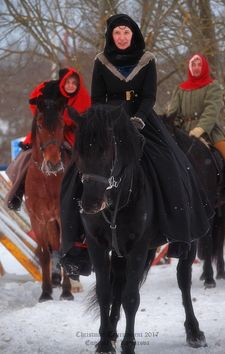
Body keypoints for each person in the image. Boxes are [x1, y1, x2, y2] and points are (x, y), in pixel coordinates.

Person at [60, 14, 214, 278]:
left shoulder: (147, 59)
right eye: (117, 33)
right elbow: (97, 97)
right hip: (108, 119)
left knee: (172, 161)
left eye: (126, 33)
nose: (121, 37)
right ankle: (76, 246)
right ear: (111, 36)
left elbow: (150, 95)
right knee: (76, 172)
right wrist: (108, 120)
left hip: (142, 119)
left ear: (133, 35)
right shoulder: (101, 61)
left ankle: (179, 231)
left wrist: (139, 118)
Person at [6, 67, 91, 210]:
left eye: (74, 83)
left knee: (84, 157)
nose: (71, 86)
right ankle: (17, 191)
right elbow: (35, 105)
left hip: (72, 131)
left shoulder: (82, 96)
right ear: (62, 83)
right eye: (68, 82)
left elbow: (85, 116)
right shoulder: (50, 90)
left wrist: (68, 123)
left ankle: (87, 192)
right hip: (49, 130)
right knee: (28, 155)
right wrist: (45, 119)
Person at [167, 53, 225, 204]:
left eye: (199, 65)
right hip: (182, 132)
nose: (196, 68)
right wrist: (173, 126)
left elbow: (212, 110)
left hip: (209, 132)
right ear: (189, 67)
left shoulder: (213, 86)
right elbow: (173, 112)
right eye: (193, 65)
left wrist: (200, 128)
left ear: (204, 67)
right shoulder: (180, 89)